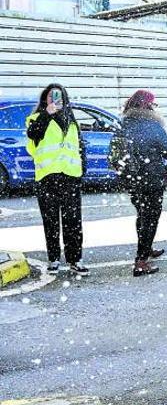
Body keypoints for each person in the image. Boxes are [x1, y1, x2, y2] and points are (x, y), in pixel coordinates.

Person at [111, 90, 167, 276]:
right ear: (148, 105)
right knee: (150, 219)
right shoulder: (153, 125)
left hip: (131, 180)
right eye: (154, 103)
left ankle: (146, 249)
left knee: (142, 215)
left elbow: (114, 153)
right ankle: (141, 260)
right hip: (151, 179)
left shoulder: (123, 124)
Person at [26, 83, 89, 276]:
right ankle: (53, 259)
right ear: (45, 99)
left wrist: (81, 170)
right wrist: (48, 113)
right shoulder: (36, 118)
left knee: (73, 221)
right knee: (51, 221)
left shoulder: (71, 120)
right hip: (47, 177)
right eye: (51, 97)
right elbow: (33, 134)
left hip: (70, 176)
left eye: (59, 97)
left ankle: (75, 259)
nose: (55, 100)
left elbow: (79, 146)